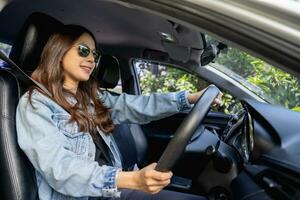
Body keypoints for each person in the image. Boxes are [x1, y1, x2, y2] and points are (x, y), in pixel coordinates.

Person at [16, 24, 222, 200]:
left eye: (94, 54)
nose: (92, 59)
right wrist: (131, 180)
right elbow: (60, 169)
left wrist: (188, 98)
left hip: (113, 190)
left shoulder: (89, 98)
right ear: (58, 51)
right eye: (83, 50)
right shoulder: (36, 104)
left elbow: (138, 105)